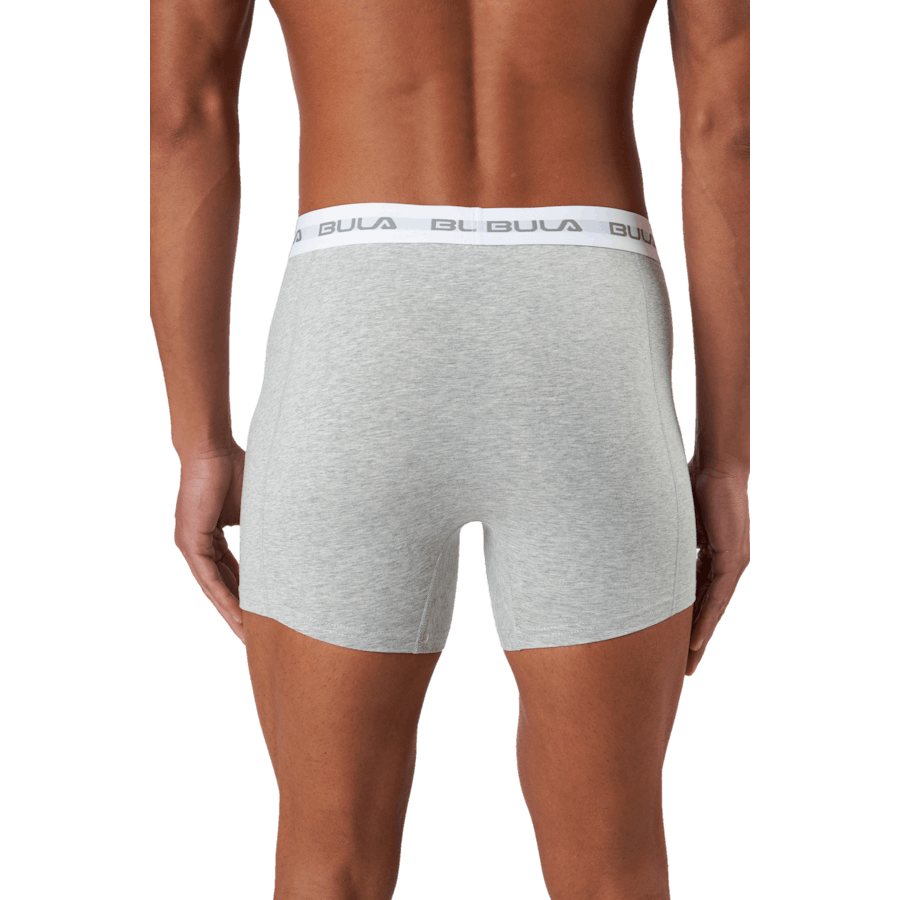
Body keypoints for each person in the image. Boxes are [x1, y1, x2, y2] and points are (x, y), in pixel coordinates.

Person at [150, 0, 750, 897]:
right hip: (587, 317)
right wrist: (726, 458)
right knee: (613, 869)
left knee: (329, 860)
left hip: (355, 314)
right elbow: (722, 124)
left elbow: (182, 116)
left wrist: (200, 442)